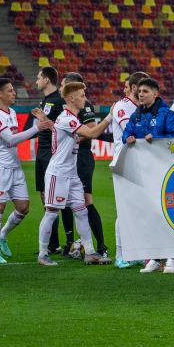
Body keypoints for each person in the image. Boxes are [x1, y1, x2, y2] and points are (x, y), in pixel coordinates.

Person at [37, 81, 113, 267]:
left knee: (81, 212)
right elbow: (93, 133)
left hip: (71, 174)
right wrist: (110, 116)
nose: (85, 99)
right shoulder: (67, 118)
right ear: (71, 98)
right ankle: (42, 254)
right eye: (81, 95)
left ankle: (90, 252)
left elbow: (80, 136)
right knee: (51, 213)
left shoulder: (70, 118)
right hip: (58, 173)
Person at [123, 77, 174, 274]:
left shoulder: (166, 114)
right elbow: (126, 134)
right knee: (150, 215)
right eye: (139, 92)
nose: (140, 94)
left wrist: (159, 139)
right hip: (145, 173)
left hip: (166, 173)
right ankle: (155, 257)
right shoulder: (136, 116)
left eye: (145, 91)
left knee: (168, 215)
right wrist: (130, 138)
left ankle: (173, 259)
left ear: (155, 94)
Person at [0, 78, 52, 264]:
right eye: (10, 90)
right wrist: (36, 128)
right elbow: (11, 139)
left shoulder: (12, 112)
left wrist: (37, 125)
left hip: (15, 166)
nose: (14, 93)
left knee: (23, 208)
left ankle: (3, 234)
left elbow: (18, 136)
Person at [62, 72, 111, 261]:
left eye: (64, 84)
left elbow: (91, 131)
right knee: (68, 202)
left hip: (81, 157)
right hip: (68, 159)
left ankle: (101, 247)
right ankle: (75, 245)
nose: (62, 88)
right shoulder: (67, 108)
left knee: (85, 201)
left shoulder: (86, 106)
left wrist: (71, 139)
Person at [111, 70, 148, 269]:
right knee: (125, 210)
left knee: (140, 208)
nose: (144, 92)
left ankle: (137, 251)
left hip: (140, 161)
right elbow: (132, 131)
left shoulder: (143, 107)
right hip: (123, 160)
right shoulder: (122, 106)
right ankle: (120, 254)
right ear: (133, 88)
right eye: (141, 89)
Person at [30, 66, 69, 254]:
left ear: (46, 80)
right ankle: (53, 243)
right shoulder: (45, 100)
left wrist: (44, 120)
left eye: (39, 78)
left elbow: (64, 127)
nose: (36, 81)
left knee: (56, 199)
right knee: (45, 197)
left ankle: (68, 241)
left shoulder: (59, 102)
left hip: (53, 153)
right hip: (42, 152)